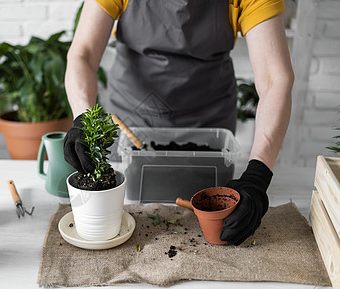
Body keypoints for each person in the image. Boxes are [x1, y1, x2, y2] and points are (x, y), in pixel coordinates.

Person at [63, 0, 294, 245]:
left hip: (209, 123)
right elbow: (83, 54)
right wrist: (84, 117)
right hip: (135, 120)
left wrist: (257, 175)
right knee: (133, 204)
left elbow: (275, 79)